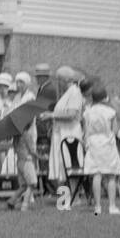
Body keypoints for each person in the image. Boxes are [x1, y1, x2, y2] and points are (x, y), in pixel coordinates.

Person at [82, 84, 120, 216]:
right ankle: (112, 206)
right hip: (107, 142)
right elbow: (115, 130)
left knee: (96, 174)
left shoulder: (87, 112)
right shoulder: (110, 112)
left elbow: (85, 130)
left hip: (93, 142)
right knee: (111, 175)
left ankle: (98, 207)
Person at [48, 66, 85, 200]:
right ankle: (64, 198)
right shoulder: (67, 93)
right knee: (61, 166)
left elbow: (71, 114)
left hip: (70, 133)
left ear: (65, 80)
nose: (57, 83)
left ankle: (75, 197)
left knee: (71, 165)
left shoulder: (75, 92)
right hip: (60, 132)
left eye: (58, 80)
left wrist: (51, 115)